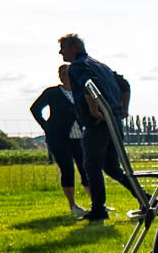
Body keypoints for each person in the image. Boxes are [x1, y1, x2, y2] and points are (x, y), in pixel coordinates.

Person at [57, 33, 144, 220]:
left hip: (97, 124)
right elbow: (124, 84)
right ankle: (144, 197)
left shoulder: (78, 66)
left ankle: (98, 209)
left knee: (91, 165)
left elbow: (89, 85)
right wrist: (123, 109)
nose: (60, 52)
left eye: (63, 48)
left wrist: (95, 111)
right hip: (114, 121)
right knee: (112, 167)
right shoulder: (101, 65)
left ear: (73, 48)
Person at [30, 78, 88, 218]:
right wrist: (47, 127)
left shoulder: (80, 90)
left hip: (79, 136)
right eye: (64, 74)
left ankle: (96, 203)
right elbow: (35, 108)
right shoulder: (52, 93)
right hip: (58, 137)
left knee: (86, 168)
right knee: (67, 168)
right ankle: (72, 205)